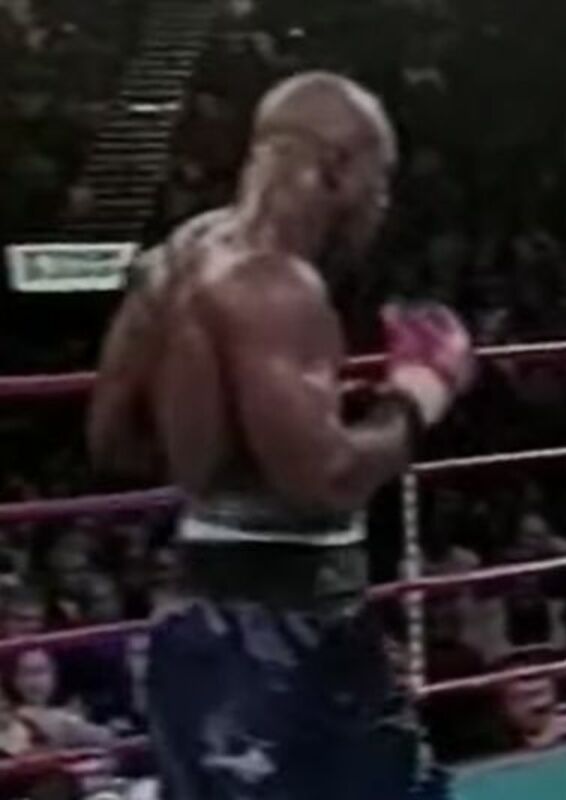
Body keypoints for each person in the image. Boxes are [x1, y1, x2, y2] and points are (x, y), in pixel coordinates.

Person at [88, 72, 475, 800]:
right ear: (337, 169)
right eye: (380, 179)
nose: (382, 203)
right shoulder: (274, 288)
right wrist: (421, 391)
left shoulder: (178, 256)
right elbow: (325, 480)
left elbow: (111, 441)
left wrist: (219, 446)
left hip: (206, 621)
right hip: (278, 647)